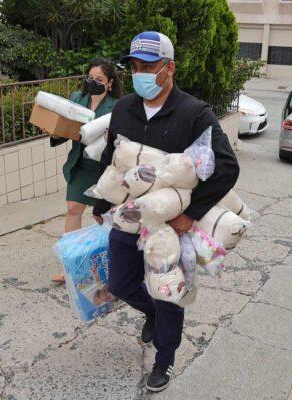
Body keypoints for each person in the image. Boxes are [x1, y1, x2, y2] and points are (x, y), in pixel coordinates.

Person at [92, 32, 239, 392]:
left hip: (171, 225)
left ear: (169, 68)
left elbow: (226, 167)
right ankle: (152, 315)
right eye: (135, 67)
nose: (141, 73)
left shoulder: (194, 113)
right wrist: (101, 201)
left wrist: (193, 213)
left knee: (168, 292)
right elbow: (115, 161)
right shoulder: (124, 108)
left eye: (149, 67)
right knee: (121, 284)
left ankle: (165, 358)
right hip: (129, 216)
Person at [51, 58, 121, 283]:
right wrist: (55, 132)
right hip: (81, 163)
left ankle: (111, 264)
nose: (93, 82)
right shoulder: (76, 99)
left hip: (105, 167)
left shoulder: (117, 106)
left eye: (99, 79)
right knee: (73, 208)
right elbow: (64, 128)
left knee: (104, 216)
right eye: (90, 78)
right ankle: (70, 265)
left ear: (109, 83)